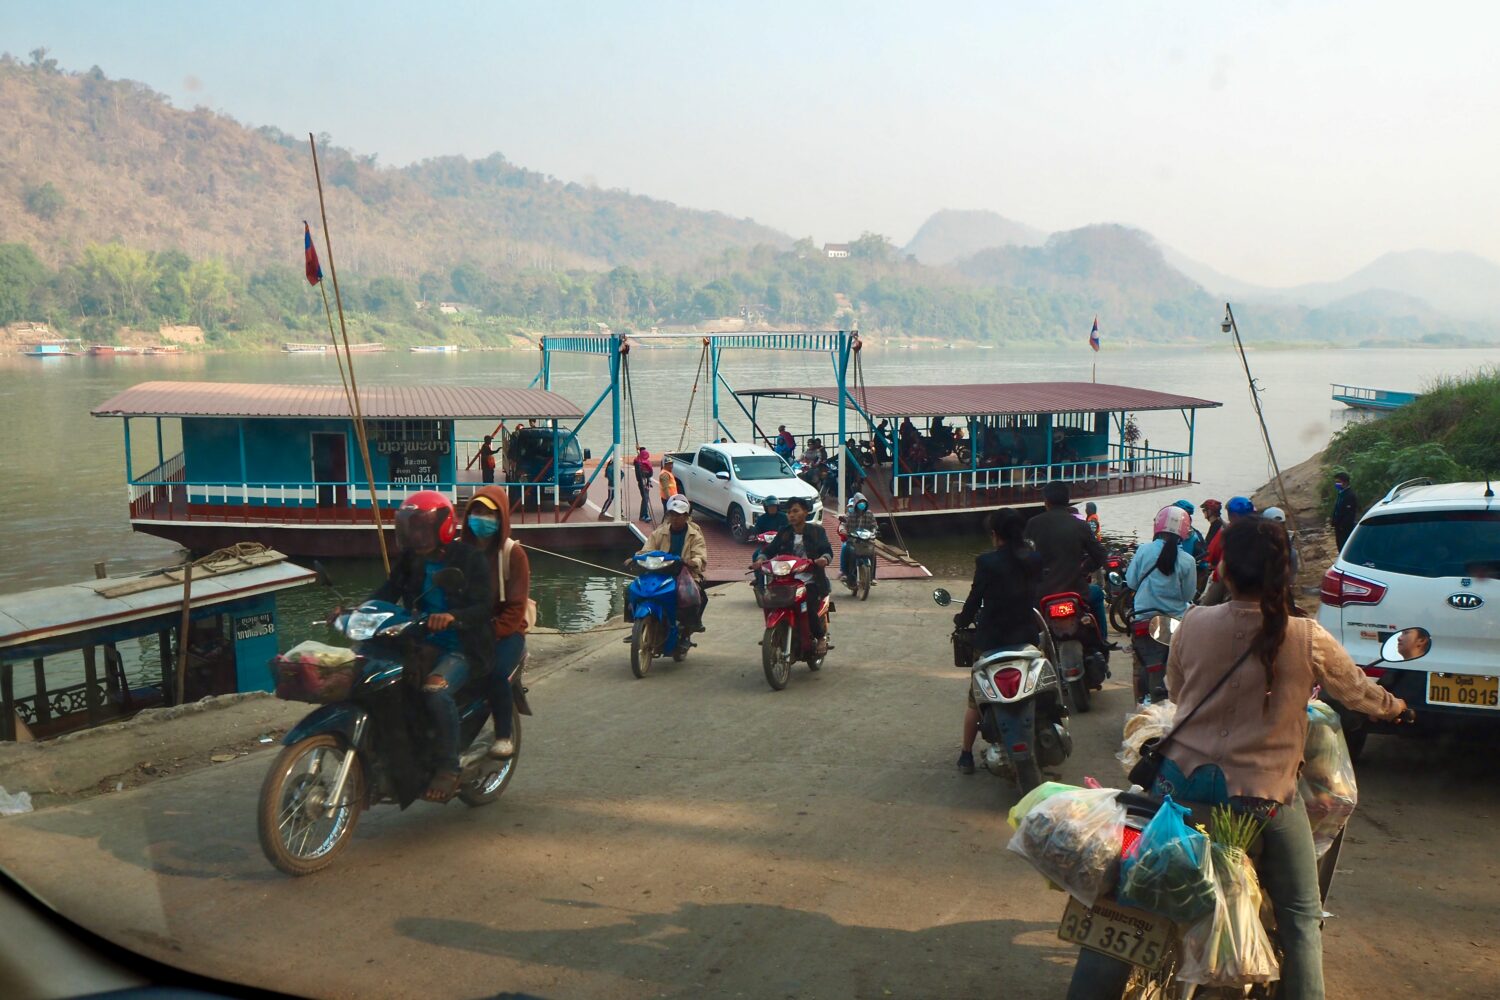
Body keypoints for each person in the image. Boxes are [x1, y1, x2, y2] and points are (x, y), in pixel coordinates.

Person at [1066, 516, 1410, 1000]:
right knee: (1300, 916)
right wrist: (1396, 708)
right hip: (1261, 801)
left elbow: (1178, 695)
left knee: (1130, 899)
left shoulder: (1194, 624)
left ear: (1223, 570)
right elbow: (1357, 694)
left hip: (1177, 787)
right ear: (1284, 574)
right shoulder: (1305, 635)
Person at [365, 490, 494, 803]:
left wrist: (452, 616)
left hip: (461, 645)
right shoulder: (411, 560)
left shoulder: (469, 559)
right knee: (379, 683)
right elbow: (387, 592)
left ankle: (449, 767)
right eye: (412, 527)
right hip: (417, 639)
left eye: (422, 527)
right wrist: (357, 611)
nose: (416, 534)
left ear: (443, 527)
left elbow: (485, 607)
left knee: (433, 691)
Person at [953, 508, 1041, 774]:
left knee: (977, 699)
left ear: (995, 535)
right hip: (1027, 637)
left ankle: (966, 754)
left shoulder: (987, 562)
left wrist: (961, 620)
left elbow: (975, 598)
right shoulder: (1034, 559)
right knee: (1041, 685)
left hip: (992, 640)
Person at [461, 487, 528, 759]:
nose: (482, 519)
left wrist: (492, 631)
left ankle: (503, 735)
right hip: (467, 627)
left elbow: (516, 608)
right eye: (477, 512)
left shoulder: (513, 554)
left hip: (505, 631)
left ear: (501, 517)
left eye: (489, 513)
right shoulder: (459, 552)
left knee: (495, 672)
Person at [758, 496, 834, 656]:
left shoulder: (816, 531)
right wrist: (761, 559)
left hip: (811, 580)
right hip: (785, 580)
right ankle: (775, 631)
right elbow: (770, 550)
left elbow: (827, 550)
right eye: (789, 512)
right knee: (769, 601)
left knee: (809, 607)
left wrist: (823, 559)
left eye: (795, 511)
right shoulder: (784, 532)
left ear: (805, 512)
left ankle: (820, 637)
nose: (791, 515)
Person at [638, 494, 709, 633]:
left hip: (686, 574)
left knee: (695, 595)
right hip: (660, 572)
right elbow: (646, 549)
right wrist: (636, 557)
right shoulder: (659, 533)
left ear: (686, 516)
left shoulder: (695, 535)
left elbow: (701, 557)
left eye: (679, 515)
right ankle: (637, 625)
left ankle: (689, 627)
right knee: (633, 590)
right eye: (672, 514)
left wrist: (692, 561)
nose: (675, 518)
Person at [1127, 505, 1198, 618]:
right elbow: (1188, 596)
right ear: (1184, 530)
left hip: (1143, 615)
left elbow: (1131, 582)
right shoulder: (1188, 561)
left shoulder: (1143, 550)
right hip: (1174, 618)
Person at [1199, 495, 1255, 606]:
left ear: (1233, 515)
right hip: (1259, 582)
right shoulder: (1263, 532)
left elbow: (1211, 555)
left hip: (1229, 578)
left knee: (1204, 608)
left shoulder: (1227, 532)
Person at [839, 492, 879, 583]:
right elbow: (843, 524)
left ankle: (872, 577)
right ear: (856, 503)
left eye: (863, 502)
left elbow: (874, 525)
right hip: (853, 540)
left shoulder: (869, 514)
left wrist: (874, 531)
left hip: (866, 540)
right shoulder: (850, 514)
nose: (862, 504)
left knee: (873, 552)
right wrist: (842, 530)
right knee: (847, 549)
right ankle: (846, 574)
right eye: (860, 502)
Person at [1331, 471, 1359, 550]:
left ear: (1345, 482)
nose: (1337, 484)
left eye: (1338, 482)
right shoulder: (1341, 493)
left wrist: (1342, 526)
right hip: (1338, 527)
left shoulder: (1350, 495)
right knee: (1340, 546)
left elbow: (1349, 514)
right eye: (1336, 482)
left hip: (1345, 529)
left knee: (1345, 547)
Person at [633, 445, 655, 523]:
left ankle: (644, 514)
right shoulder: (640, 463)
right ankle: (643, 515)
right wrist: (646, 474)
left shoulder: (638, 461)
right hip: (643, 482)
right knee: (645, 498)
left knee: (645, 498)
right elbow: (649, 473)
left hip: (643, 482)